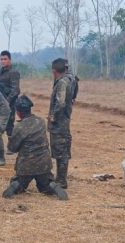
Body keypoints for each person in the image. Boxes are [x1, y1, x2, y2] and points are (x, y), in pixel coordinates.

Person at [2, 95, 68, 200]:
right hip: (44, 164)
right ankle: (52, 185)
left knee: (20, 184)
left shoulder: (19, 126)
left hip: (26, 166)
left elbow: (12, 148)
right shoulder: (40, 121)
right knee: (45, 186)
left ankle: (16, 185)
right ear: (29, 109)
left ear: (18, 112)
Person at [48, 58, 78, 189]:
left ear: (54, 71)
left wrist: (53, 115)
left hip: (60, 122)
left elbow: (60, 102)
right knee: (63, 148)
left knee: (60, 150)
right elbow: (76, 87)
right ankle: (61, 178)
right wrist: (72, 99)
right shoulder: (71, 78)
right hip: (65, 119)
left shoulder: (62, 82)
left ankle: (61, 180)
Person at [0, 50, 21, 138]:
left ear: (10, 60)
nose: (3, 61)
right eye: (1, 59)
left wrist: (7, 101)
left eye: (5, 59)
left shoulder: (13, 72)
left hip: (10, 103)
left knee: (9, 125)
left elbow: (15, 90)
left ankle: (12, 146)